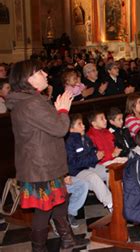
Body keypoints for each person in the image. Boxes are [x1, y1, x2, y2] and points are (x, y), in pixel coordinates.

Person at [6, 60, 88, 251]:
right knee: (44, 210)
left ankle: (67, 239)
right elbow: (59, 129)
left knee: (61, 200)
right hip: (41, 165)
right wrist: (62, 110)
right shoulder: (31, 103)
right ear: (28, 78)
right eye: (40, 72)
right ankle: (39, 248)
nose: (45, 74)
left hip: (45, 162)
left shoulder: (29, 100)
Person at [66, 114, 113, 212]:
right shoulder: (69, 142)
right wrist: (94, 157)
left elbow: (92, 150)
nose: (83, 126)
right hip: (76, 171)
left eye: (82, 123)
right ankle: (110, 203)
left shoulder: (85, 138)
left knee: (109, 170)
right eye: (79, 124)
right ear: (70, 129)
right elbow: (73, 163)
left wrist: (97, 153)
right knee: (93, 177)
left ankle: (116, 195)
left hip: (89, 166)